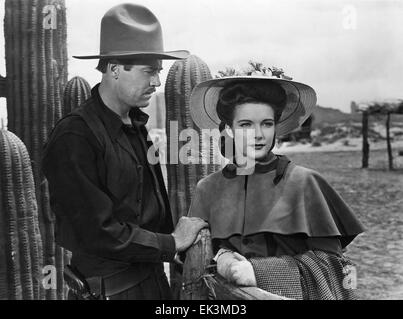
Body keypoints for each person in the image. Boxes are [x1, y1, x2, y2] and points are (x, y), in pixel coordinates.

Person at [42, 3, 207, 300]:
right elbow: (97, 232)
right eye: (149, 72)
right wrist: (172, 242)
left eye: (158, 72)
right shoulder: (75, 136)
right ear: (116, 69)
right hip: (110, 293)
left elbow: (146, 210)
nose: (156, 81)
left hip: (152, 283)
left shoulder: (135, 126)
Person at [188, 75, 365, 300]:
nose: (259, 134)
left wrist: (260, 272)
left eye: (267, 123)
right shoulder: (208, 188)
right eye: (245, 124)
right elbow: (193, 265)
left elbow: (336, 269)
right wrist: (221, 257)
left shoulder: (304, 182)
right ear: (229, 129)